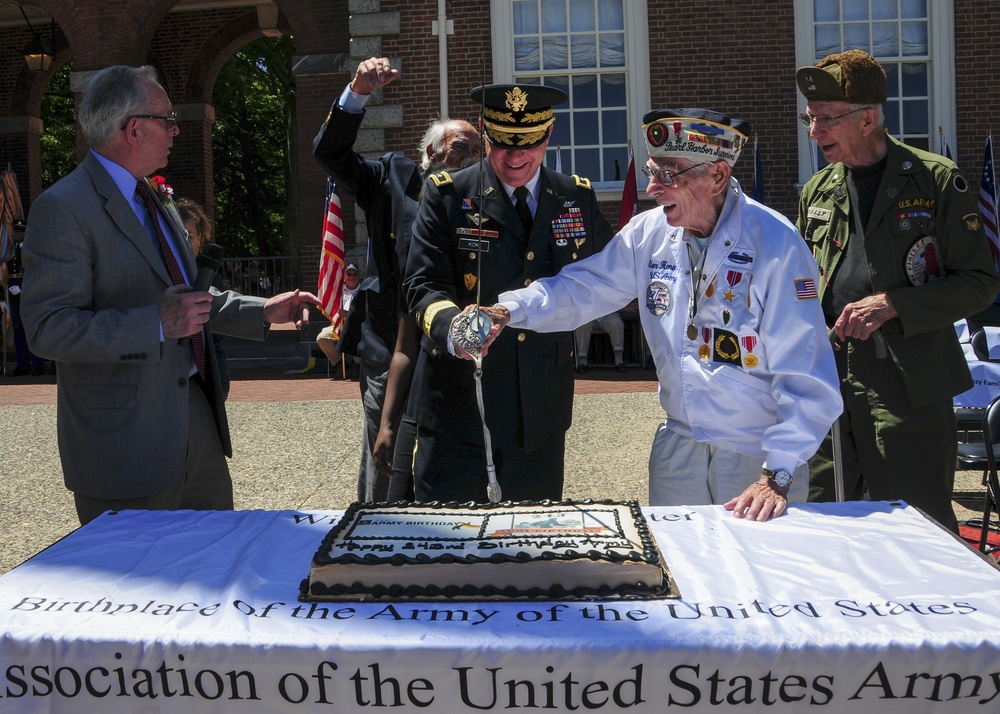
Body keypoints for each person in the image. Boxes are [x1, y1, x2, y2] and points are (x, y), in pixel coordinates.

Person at [472, 108, 843, 521]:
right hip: (677, 446)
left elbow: (806, 371)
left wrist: (778, 472)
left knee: (762, 578)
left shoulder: (776, 242)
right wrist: (508, 309)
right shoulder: (649, 232)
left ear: (717, 176)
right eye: (652, 171)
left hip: (755, 456)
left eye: (669, 175)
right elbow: (583, 287)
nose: (652, 187)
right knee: (681, 574)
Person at [20, 65, 321, 526]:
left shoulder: (150, 197)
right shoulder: (63, 209)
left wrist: (264, 311)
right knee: (135, 592)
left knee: (216, 567)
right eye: (167, 118)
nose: (176, 129)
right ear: (133, 129)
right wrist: (155, 324)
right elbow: (47, 329)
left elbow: (189, 299)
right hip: (123, 446)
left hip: (195, 423)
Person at [794, 50, 1000, 532]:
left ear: (868, 118)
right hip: (830, 381)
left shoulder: (936, 181)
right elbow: (804, 282)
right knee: (824, 522)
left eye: (827, 119)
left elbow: (980, 284)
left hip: (910, 385)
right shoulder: (817, 190)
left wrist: (893, 304)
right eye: (810, 118)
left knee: (917, 527)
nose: (814, 131)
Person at [404, 83, 615, 503]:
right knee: (449, 549)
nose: (516, 158)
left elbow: (607, 275)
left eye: (529, 144)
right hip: (458, 407)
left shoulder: (575, 197)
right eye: (503, 145)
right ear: (485, 133)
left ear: (549, 134)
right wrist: (454, 325)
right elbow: (421, 284)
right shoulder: (448, 196)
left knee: (531, 547)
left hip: (538, 411)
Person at [313, 56, 480, 502]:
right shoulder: (391, 178)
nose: (471, 156)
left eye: (477, 149)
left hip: (452, 351)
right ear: (431, 153)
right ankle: (374, 543)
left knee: (444, 457)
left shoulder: (484, 198)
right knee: (385, 458)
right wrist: (358, 94)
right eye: (461, 146)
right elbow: (329, 153)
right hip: (390, 343)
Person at [176, 197, 230, 398]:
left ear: (200, 239)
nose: (183, 242)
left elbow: (218, 314)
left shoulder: (209, 274)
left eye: (188, 236)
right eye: (177, 236)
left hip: (209, 363)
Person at [3, 235, 46, 376]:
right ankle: (22, 365)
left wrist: (23, 287)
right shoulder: (10, 250)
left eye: (19, 232)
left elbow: (36, 272)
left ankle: (37, 365)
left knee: (32, 330)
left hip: (29, 295)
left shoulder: (31, 249)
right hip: (14, 296)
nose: (17, 235)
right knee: (18, 331)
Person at [315, 262, 361, 377]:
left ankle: (357, 364)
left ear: (358, 276)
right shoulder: (337, 291)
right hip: (338, 325)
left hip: (357, 326)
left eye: (354, 274)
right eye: (348, 274)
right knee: (322, 338)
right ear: (344, 277)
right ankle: (341, 363)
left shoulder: (364, 292)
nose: (351, 277)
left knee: (356, 334)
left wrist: (348, 314)